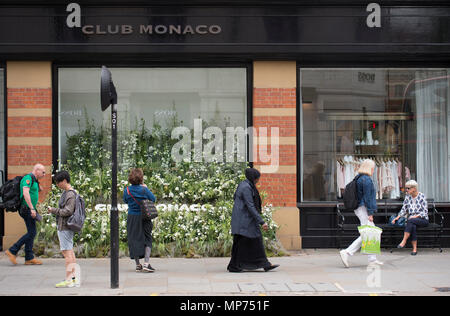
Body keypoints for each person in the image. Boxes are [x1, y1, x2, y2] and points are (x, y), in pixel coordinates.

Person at [227, 168, 279, 273]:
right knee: (253, 241)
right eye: (257, 178)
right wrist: (262, 221)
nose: (258, 180)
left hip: (243, 220)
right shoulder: (246, 187)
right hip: (245, 221)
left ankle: (235, 265)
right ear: (253, 178)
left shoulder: (245, 185)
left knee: (242, 244)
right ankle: (263, 264)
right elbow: (250, 206)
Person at [339, 159, 384, 268]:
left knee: (370, 233)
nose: (373, 170)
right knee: (368, 233)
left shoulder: (358, 177)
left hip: (360, 208)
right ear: (369, 168)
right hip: (364, 209)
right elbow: (368, 198)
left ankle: (372, 259)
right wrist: (370, 213)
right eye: (373, 168)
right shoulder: (366, 180)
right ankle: (347, 252)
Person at [5, 164, 46, 265]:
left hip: (30, 208)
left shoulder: (34, 180)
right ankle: (12, 250)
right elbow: (25, 193)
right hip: (26, 208)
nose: (44, 174)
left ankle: (29, 257)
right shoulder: (28, 178)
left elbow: (32, 192)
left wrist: (38, 189)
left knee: (31, 232)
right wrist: (32, 208)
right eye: (43, 172)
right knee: (32, 233)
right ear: (36, 170)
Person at [48, 170, 80, 288]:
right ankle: (73, 278)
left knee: (67, 253)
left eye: (58, 182)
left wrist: (53, 210)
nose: (57, 185)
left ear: (65, 180)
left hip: (65, 226)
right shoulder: (69, 193)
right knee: (69, 252)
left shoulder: (70, 194)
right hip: (66, 226)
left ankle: (69, 279)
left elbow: (68, 211)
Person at [123, 168, 156, 273]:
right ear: (141, 178)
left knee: (134, 240)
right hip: (144, 217)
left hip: (132, 217)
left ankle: (138, 265)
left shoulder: (127, 190)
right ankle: (146, 263)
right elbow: (153, 199)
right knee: (147, 238)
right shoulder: (144, 189)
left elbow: (125, 200)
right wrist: (145, 188)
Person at [392, 180, 428, 255]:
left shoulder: (422, 196)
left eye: (408, 188)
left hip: (422, 219)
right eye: (406, 188)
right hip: (412, 220)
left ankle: (404, 241)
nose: (406, 190)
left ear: (414, 188)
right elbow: (404, 209)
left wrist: (415, 216)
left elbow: (425, 212)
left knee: (411, 220)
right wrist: (397, 217)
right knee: (412, 226)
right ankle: (414, 249)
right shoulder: (407, 197)